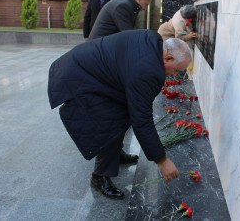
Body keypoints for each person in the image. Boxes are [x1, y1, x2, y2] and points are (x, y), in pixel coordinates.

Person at [48, 30, 192, 199]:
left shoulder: (152, 40)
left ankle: (116, 153)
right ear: (168, 58)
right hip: (79, 78)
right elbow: (142, 119)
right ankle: (99, 177)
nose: (174, 75)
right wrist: (162, 161)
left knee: (124, 110)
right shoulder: (147, 70)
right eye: (176, 70)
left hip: (86, 70)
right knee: (110, 123)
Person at [88, 0, 153, 40]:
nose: (145, 8)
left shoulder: (124, 3)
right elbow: (129, 35)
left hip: (101, 46)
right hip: (99, 49)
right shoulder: (122, 6)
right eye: (146, 4)